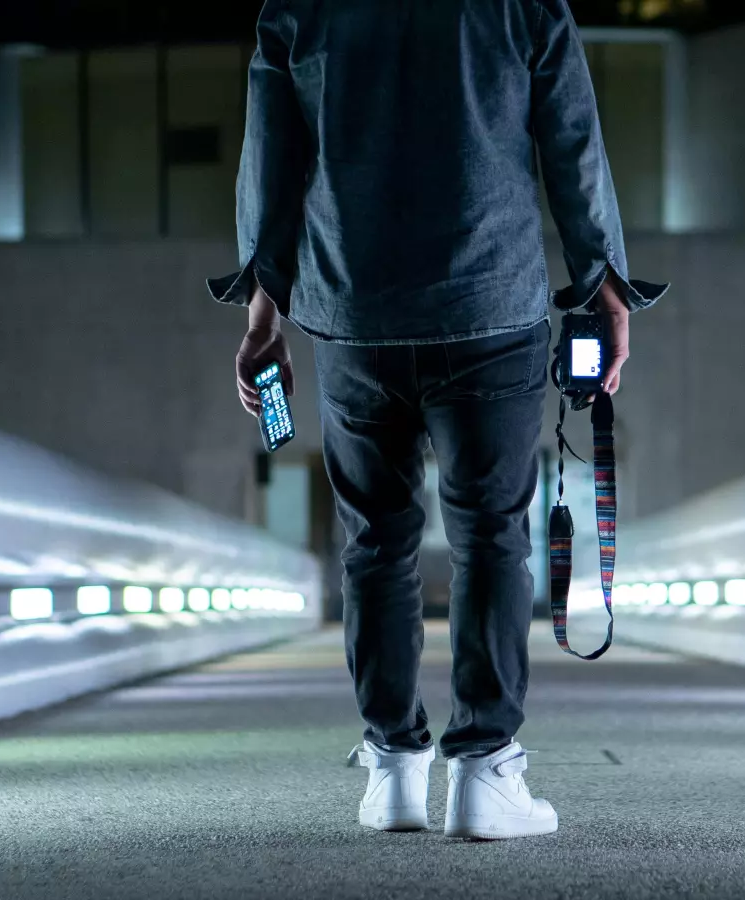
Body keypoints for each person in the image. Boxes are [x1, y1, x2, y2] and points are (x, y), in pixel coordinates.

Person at [207, 0, 667, 840]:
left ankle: (392, 769)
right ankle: (487, 771)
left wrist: (263, 319)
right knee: (491, 533)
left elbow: (272, 164)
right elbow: (572, 142)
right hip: (492, 302)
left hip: (353, 311)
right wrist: (603, 282)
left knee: (375, 541)